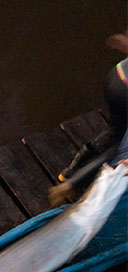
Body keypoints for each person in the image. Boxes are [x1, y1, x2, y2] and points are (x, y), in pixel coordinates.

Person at [50, 33, 128, 205]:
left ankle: (70, 172)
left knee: (115, 132)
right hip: (125, 92)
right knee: (118, 145)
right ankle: (72, 184)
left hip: (116, 76)